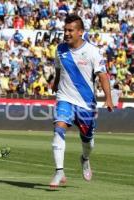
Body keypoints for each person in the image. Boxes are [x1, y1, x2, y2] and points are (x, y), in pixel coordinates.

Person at [50, 14, 113, 188]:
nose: (67, 33)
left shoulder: (93, 51)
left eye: (70, 30)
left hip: (86, 104)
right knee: (58, 128)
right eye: (65, 30)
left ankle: (85, 159)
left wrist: (108, 98)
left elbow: (102, 76)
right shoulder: (60, 49)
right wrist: (55, 83)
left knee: (88, 142)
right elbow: (58, 69)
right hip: (65, 98)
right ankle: (59, 171)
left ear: (80, 32)